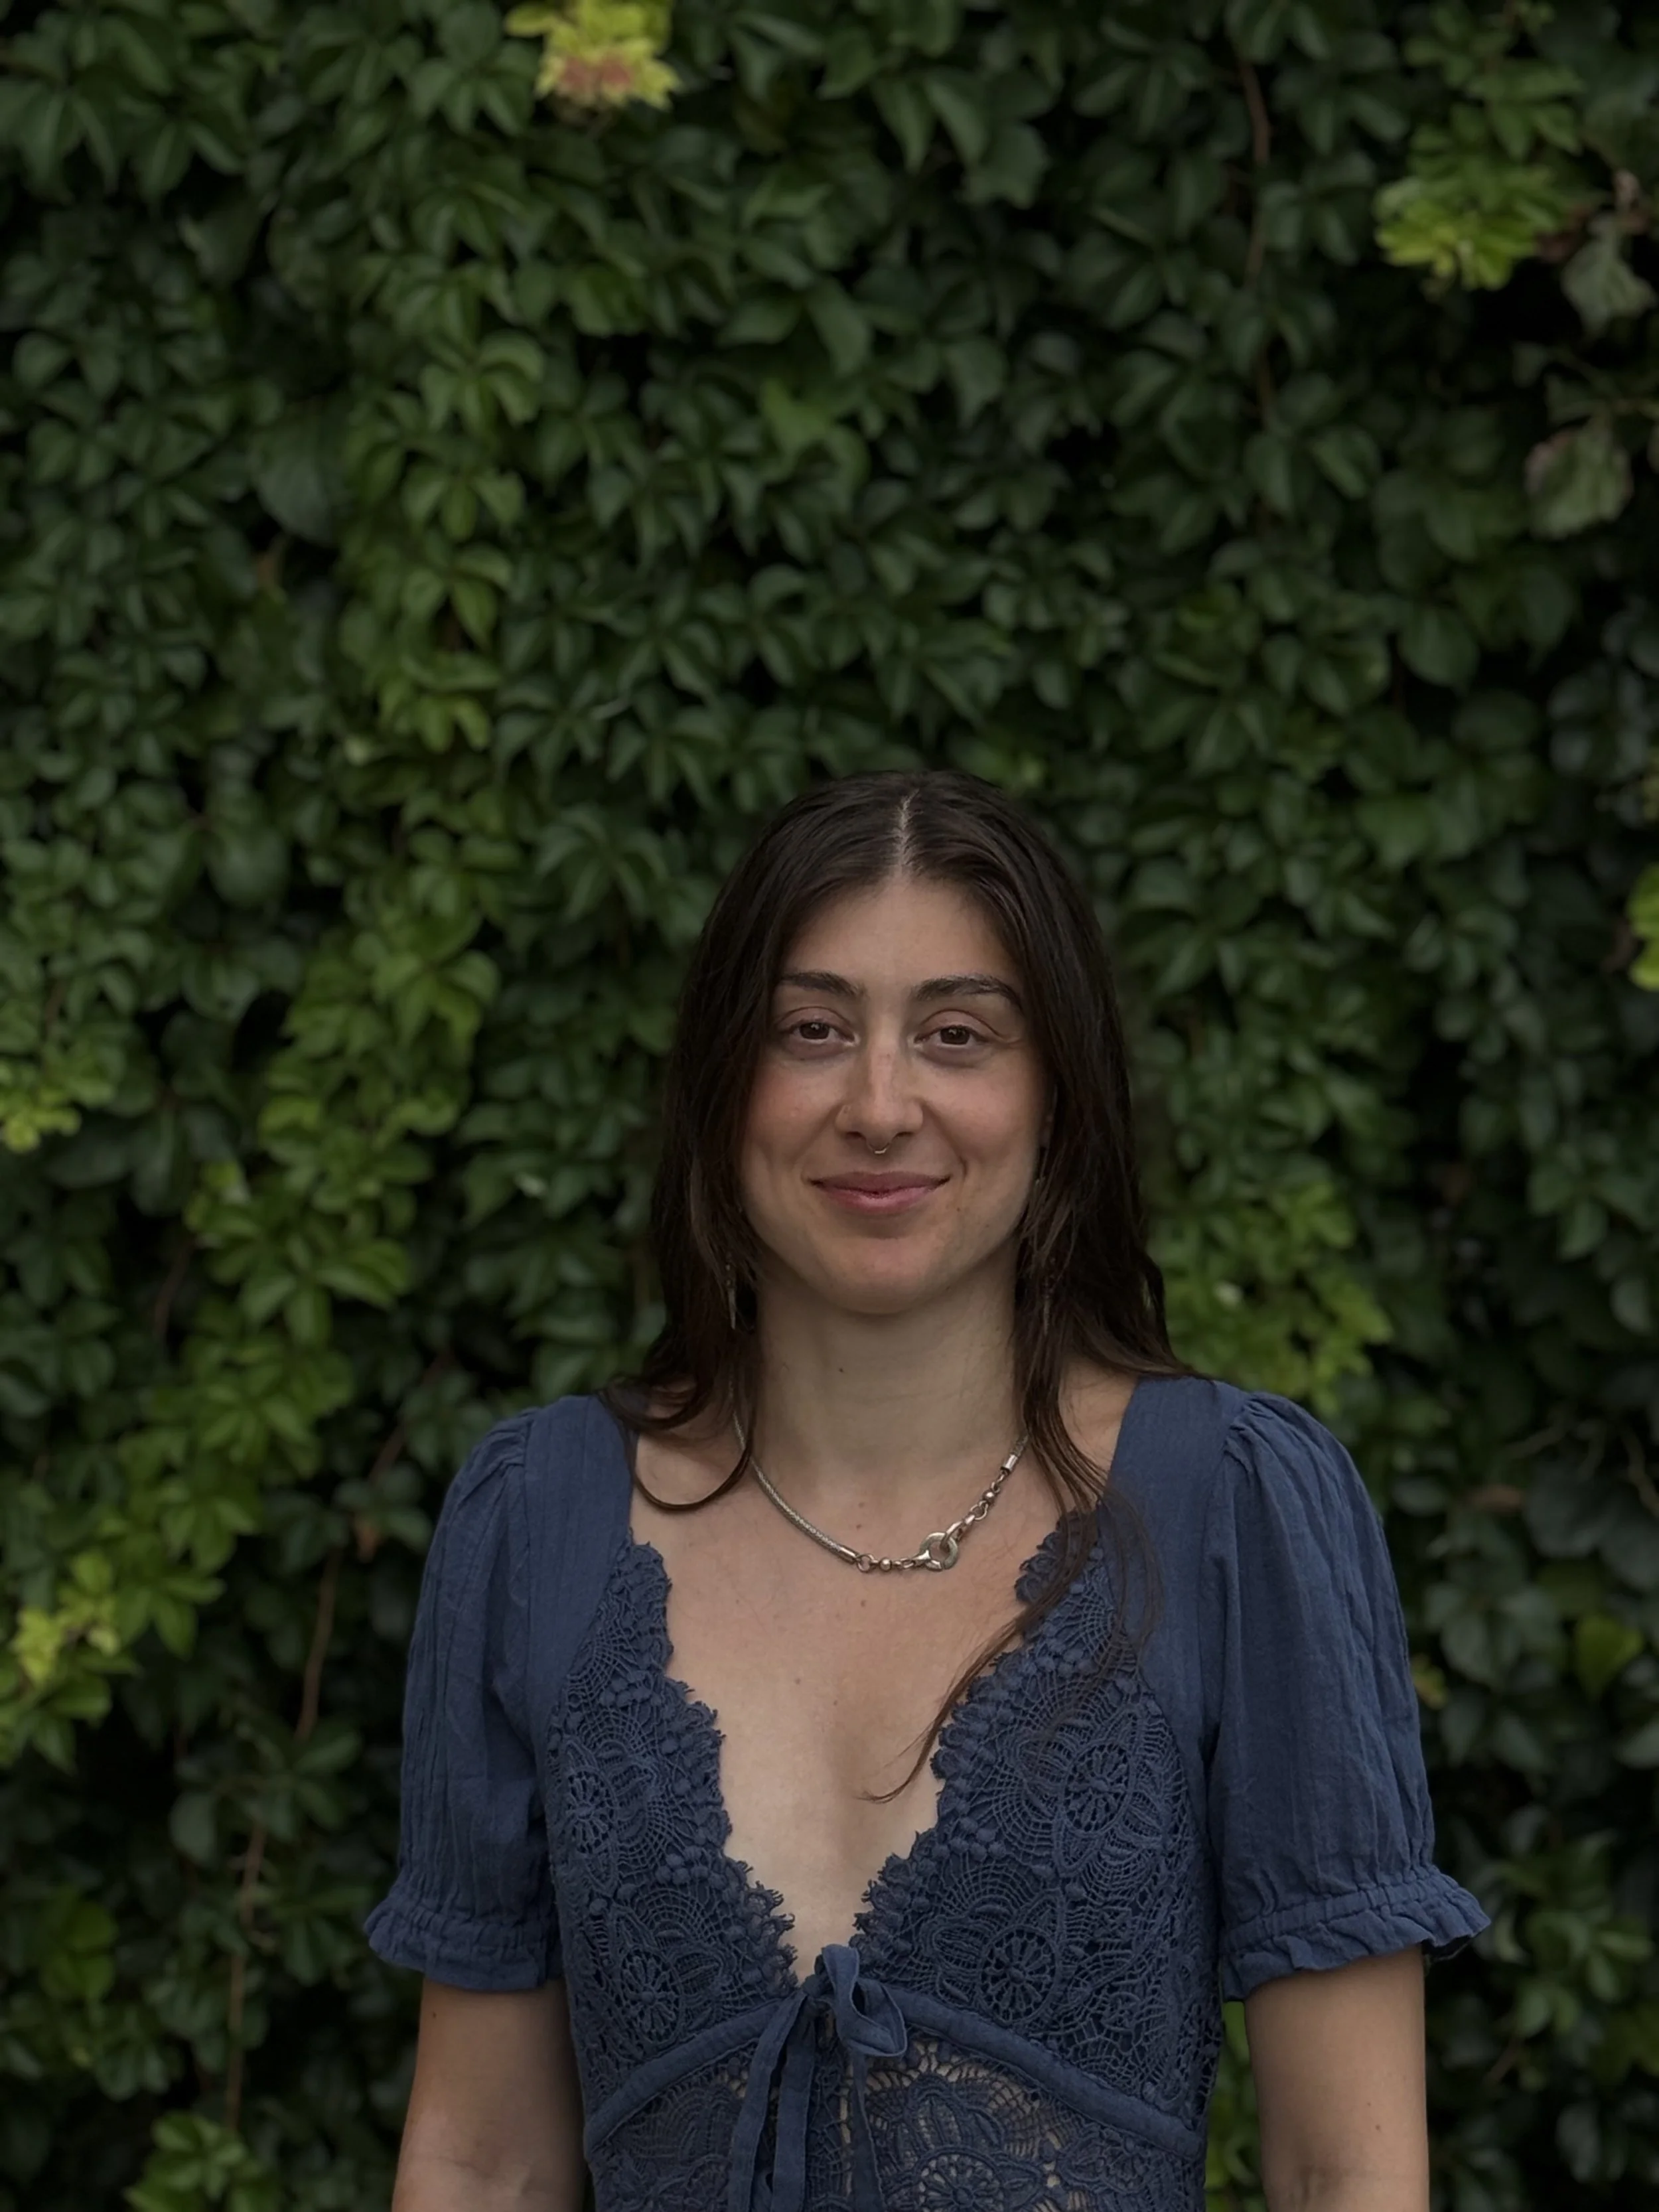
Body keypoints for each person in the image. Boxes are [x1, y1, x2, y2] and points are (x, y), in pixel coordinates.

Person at [366, 769, 1488, 2212]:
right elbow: (483, 2160)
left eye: (955, 1034)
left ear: (1055, 1099)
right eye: (811, 1029)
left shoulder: (1232, 1511)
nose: (879, 1103)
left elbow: (1344, 2170)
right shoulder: (538, 1520)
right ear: (723, 1082)